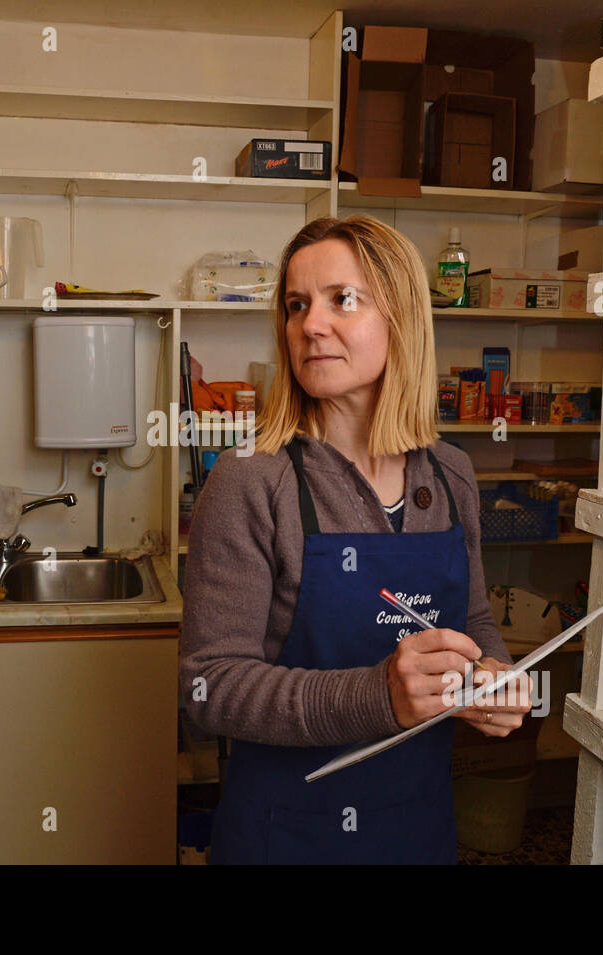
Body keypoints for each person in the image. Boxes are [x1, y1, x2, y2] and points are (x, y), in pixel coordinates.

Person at [180, 215, 533, 865]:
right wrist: (378, 696)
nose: (310, 324)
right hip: (287, 834)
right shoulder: (252, 480)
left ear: (401, 317)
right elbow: (209, 688)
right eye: (296, 304)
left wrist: (493, 675)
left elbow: (475, 617)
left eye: (342, 298)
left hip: (417, 826)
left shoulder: (451, 473)